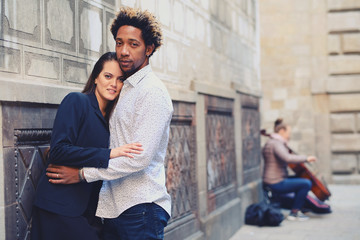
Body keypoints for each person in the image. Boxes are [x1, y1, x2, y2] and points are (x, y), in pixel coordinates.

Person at [47, 7, 173, 240]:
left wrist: (83, 174)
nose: (124, 51)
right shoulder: (124, 89)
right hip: (114, 208)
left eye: (133, 44)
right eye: (119, 42)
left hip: (141, 207)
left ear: (149, 49)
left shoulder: (152, 92)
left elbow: (139, 158)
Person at [31, 52, 143, 240]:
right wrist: (109, 154)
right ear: (96, 78)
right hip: (59, 205)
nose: (114, 84)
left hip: (89, 211)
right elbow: (58, 150)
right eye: (108, 76)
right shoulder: (77, 101)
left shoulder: (112, 119)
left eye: (120, 79)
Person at [262, 118, 317, 221]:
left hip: (272, 179)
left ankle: (299, 207)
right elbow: (287, 158)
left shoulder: (273, 142)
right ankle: (294, 212)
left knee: (300, 179)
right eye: (288, 132)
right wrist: (306, 158)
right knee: (306, 183)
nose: (289, 135)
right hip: (275, 182)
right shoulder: (276, 143)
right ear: (282, 131)